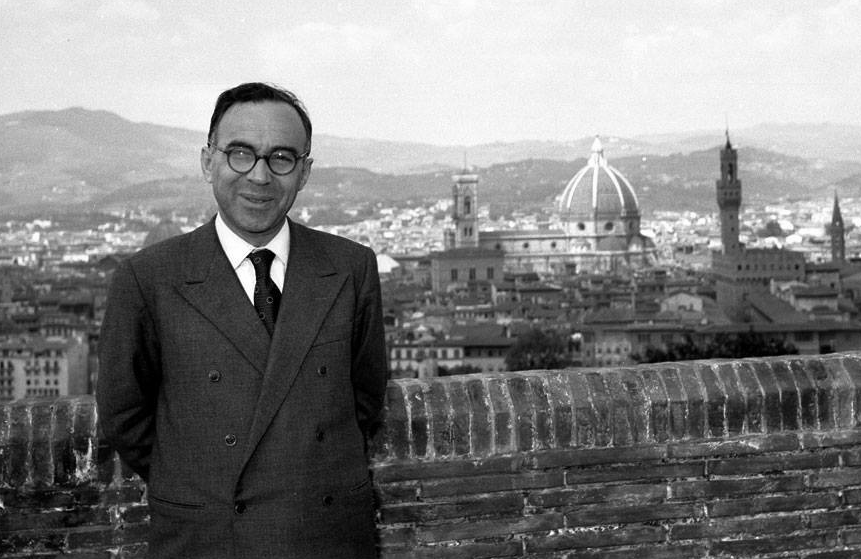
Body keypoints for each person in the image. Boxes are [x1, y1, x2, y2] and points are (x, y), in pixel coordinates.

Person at [97, 82, 388, 558]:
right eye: (240, 154)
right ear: (207, 162)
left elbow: (366, 398)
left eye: (281, 158)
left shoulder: (350, 267)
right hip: (209, 538)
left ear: (304, 171)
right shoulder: (148, 279)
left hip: (327, 534)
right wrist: (202, 482)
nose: (259, 175)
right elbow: (123, 417)